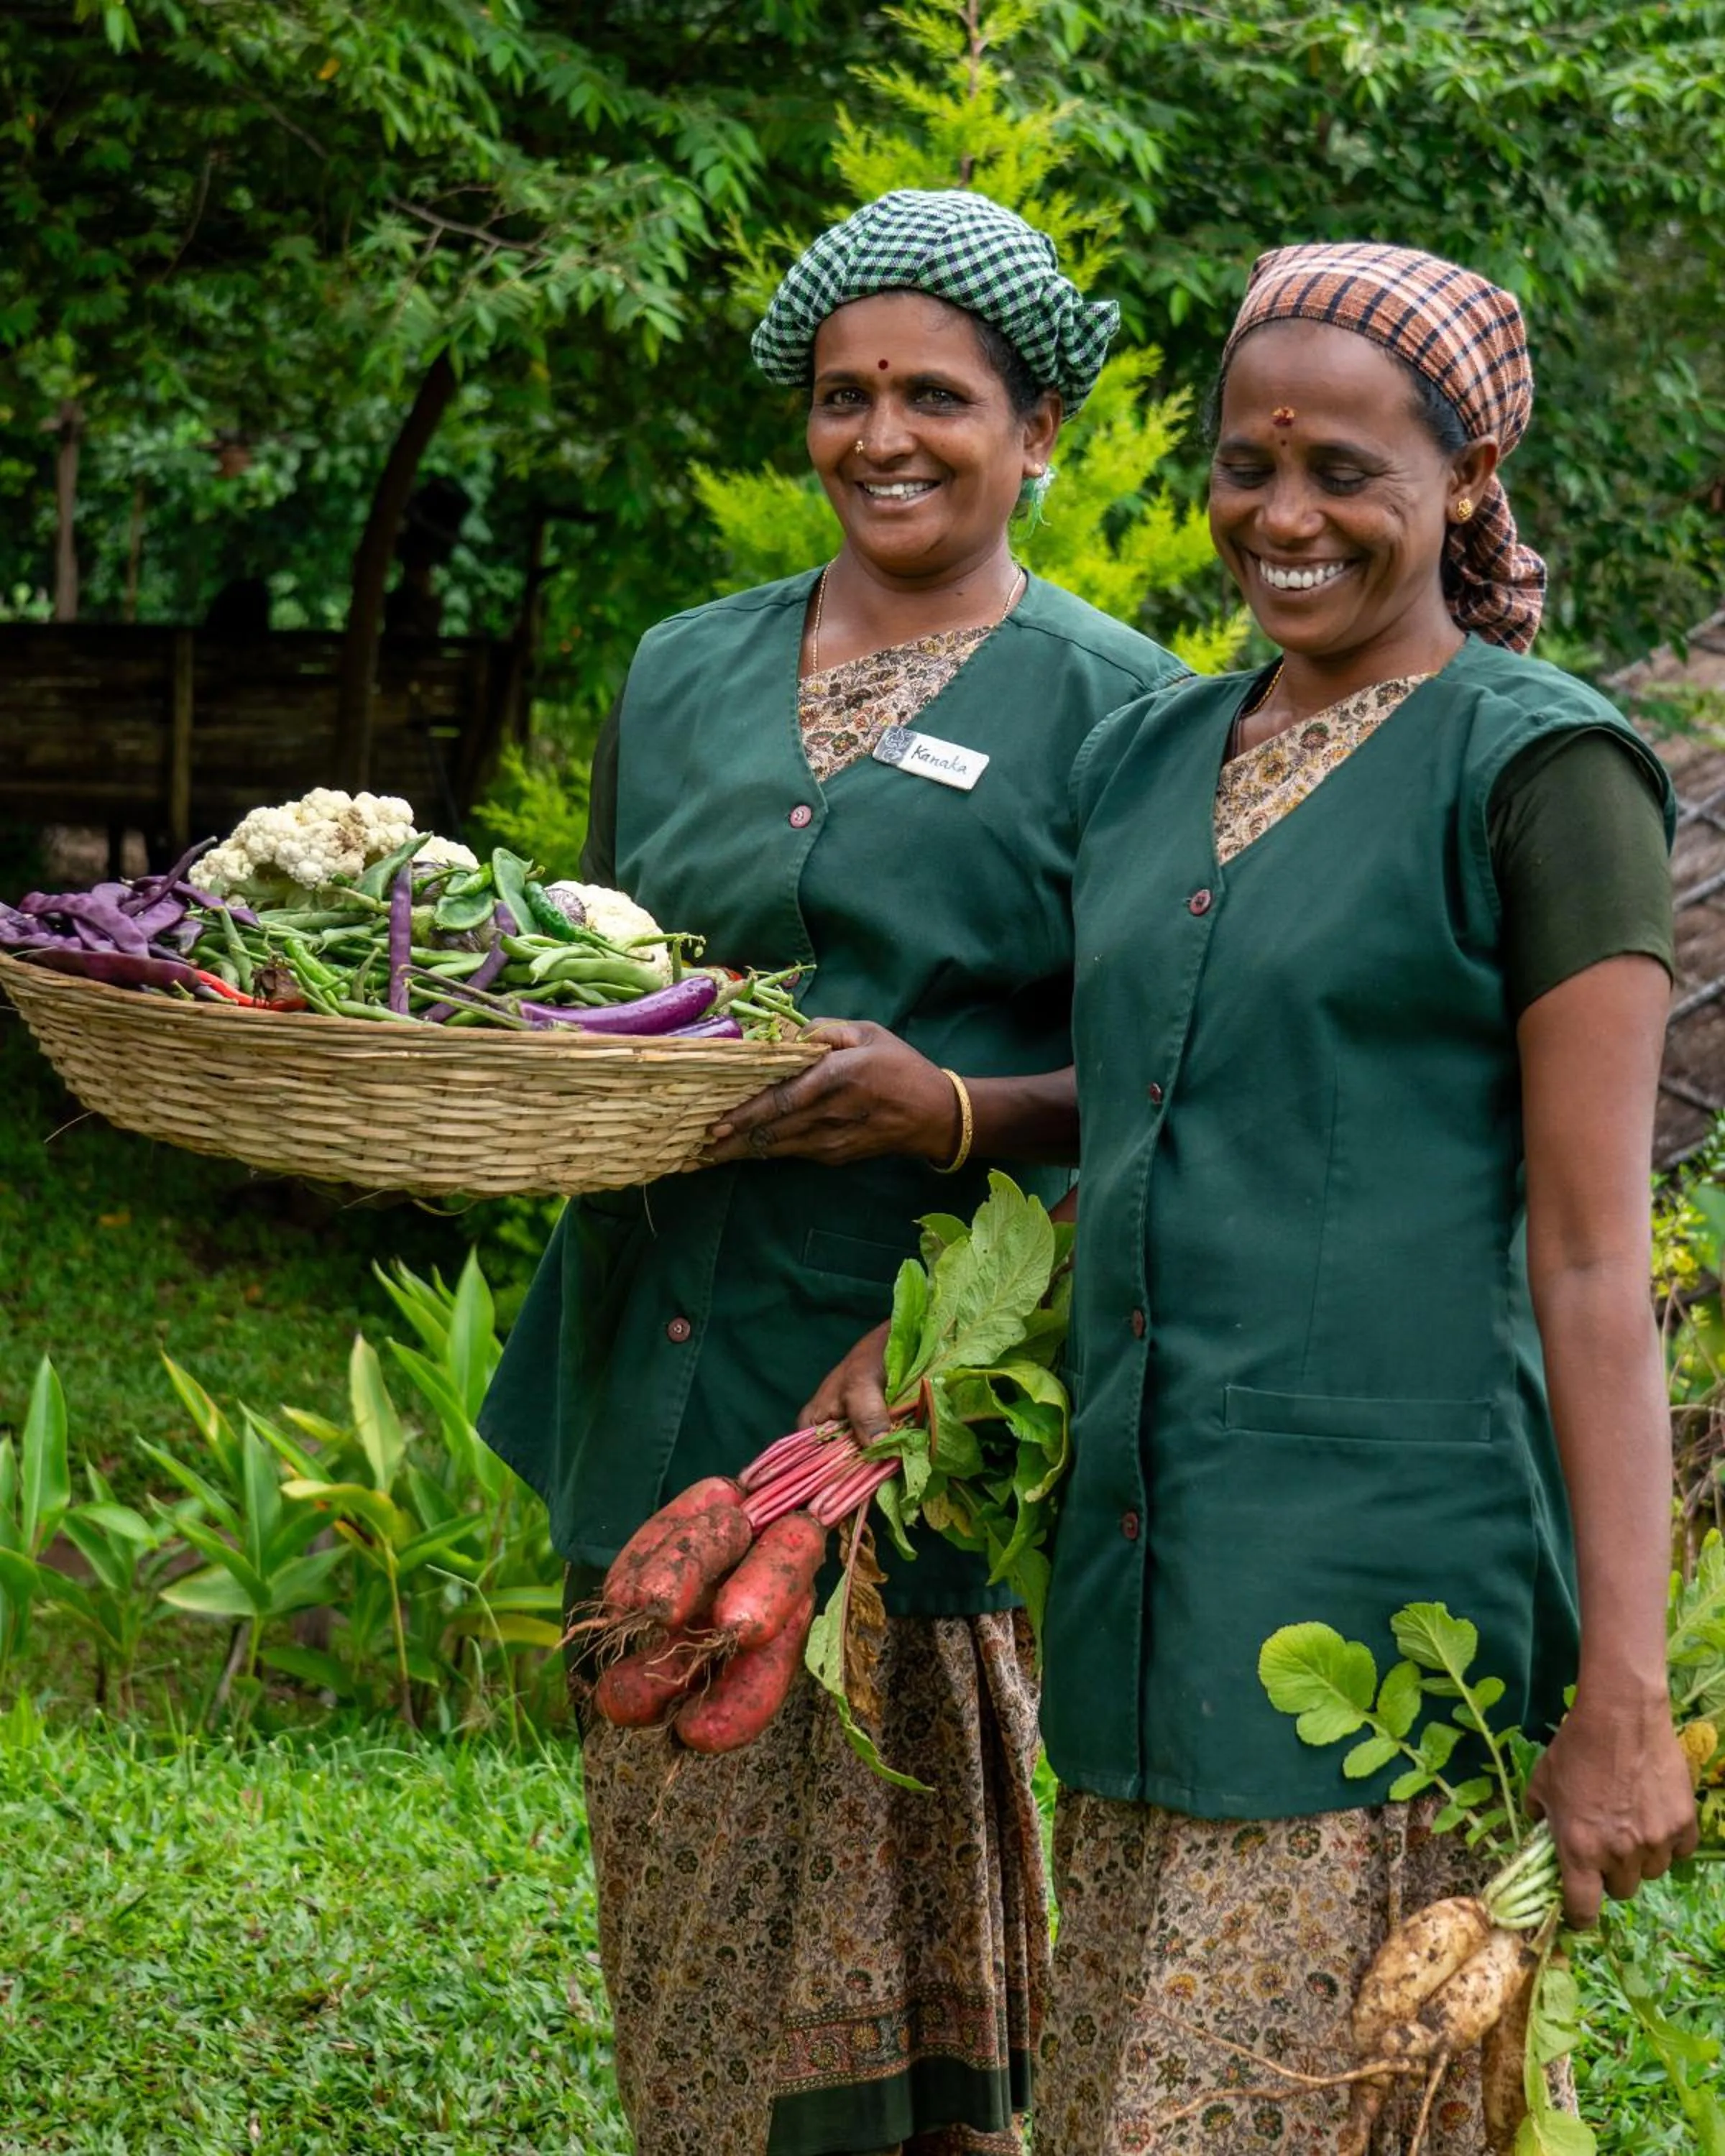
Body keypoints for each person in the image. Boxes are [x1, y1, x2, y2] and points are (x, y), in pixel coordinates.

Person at [477, 188, 1187, 2156]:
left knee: (903, 1912)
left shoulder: (1125, 710)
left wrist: (951, 1113)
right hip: (657, 1363)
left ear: (1038, 427)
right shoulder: (685, 668)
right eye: (845, 393)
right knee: (684, 1905)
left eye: (938, 397)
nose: (882, 436)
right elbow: (603, 979)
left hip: (896, 1391)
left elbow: (1167, 1070)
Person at [1022, 241, 1699, 2151]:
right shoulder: (1151, 756)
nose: (1284, 515)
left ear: (1469, 474)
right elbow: (1155, 1118)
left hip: (1379, 1609)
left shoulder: (1545, 771)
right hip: (1144, 1580)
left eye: (1345, 470)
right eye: (1248, 464)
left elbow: (1589, 1259)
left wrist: (1626, 1696)